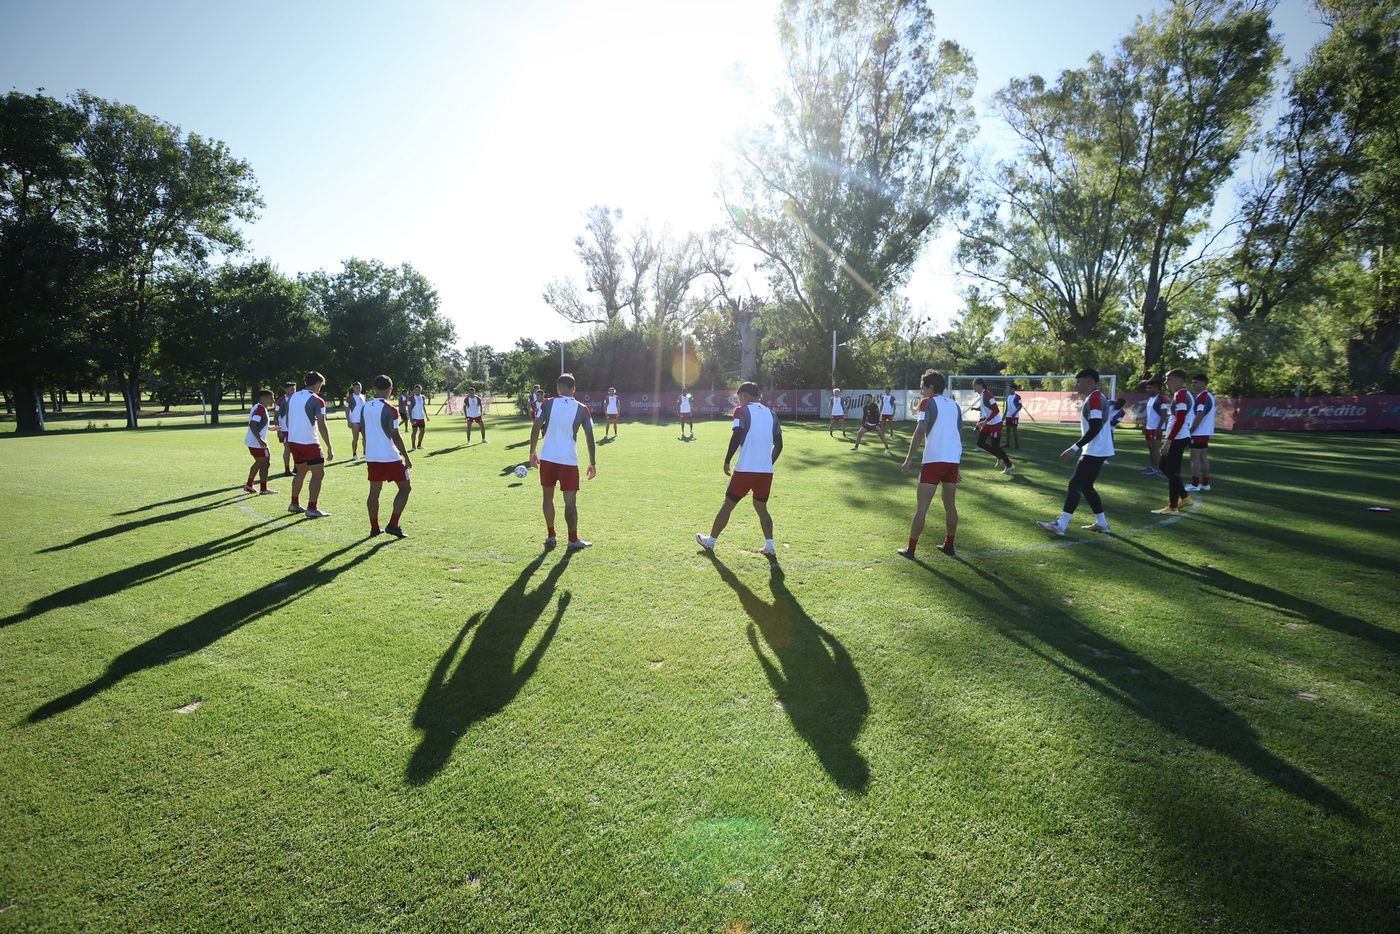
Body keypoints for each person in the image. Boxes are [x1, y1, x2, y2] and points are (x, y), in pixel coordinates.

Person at [696, 382, 783, 557]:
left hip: (745, 470)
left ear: (744, 395)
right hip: (765, 472)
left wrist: (727, 460)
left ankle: (710, 542)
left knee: (727, 506)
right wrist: (768, 462)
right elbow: (779, 445)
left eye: (738, 396)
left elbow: (736, 435)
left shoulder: (741, 411)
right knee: (761, 508)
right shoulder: (771, 414)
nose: (738, 400)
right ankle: (770, 546)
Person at [1037, 368, 1114, 536]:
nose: (1076, 385)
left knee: (1075, 485)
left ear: (1089, 381)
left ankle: (1061, 525)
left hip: (1095, 450)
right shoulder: (1096, 397)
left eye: (1079, 381)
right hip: (1099, 449)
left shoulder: (1094, 399)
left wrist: (1074, 447)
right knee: (1086, 487)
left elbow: (1095, 427)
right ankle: (1102, 523)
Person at [530, 373, 597, 550]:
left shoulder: (547, 403)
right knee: (570, 502)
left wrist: (532, 451)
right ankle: (573, 540)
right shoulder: (582, 409)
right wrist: (593, 462)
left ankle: (551, 535)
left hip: (548, 458)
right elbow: (590, 435)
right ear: (574, 389)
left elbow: (536, 426)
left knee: (547, 496)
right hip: (568, 461)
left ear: (559, 388)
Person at [898, 370, 960, 558]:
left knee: (922, 507)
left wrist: (909, 459)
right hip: (952, 461)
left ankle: (911, 549)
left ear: (931, 387)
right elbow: (958, 434)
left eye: (923, 387)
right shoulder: (955, 405)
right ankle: (949, 544)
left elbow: (921, 429)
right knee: (950, 506)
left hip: (933, 460)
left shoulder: (927, 402)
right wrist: (957, 464)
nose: (921, 391)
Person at [362, 374, 412, 538]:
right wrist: (406, 456)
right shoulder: (391, 408)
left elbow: (362, 430)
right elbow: (395, 435)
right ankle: (393, 524)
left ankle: (374, 528)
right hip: (389, 456)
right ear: (390, 389)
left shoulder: (365, 407)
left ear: (374, 388)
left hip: (372, 455)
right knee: (405, 488)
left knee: (374, 493)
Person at [286, 370, 335, 518]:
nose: (321, 387)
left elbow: (288, 418)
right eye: (321, 385)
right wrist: (329, 446)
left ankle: (294, 504)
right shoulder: (317, 400)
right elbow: (322, 425)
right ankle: (312, 508)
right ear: (318, 383)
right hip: (308, 442)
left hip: (293, 440)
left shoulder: (293, 396)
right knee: (318, 474)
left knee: (301, 471)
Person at [1152, 368, 1197, 515]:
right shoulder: (1180, 394)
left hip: (1178, 438)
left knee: (1173, 472)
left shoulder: (1182, 394)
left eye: (1168, 379)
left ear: (1179, 380)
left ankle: (1173, 506)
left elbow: (1180, 419)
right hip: (1178, 436)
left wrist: (1168, 441)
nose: (1165, 382)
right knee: (1164, 466)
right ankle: (1184, 497)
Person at [971, 378, 1014, 474]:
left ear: (980, 385)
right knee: (980, 443)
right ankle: (999, 457)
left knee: (996, 446)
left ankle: (1009, 464)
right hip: (989, 423)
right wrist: (980, 423)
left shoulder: (988, 394)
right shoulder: (982, 395)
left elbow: (996, 410)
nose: (973, 387)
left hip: (995, 424)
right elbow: (986, 411)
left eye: (974, 385)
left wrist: (985, 422)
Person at [242, 388, 277, 496]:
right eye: (271, 398)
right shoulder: (260, 409)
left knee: (259, 463)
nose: (273, 400)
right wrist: (260, 439)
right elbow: (253, 425)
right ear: (263, 398)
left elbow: (258, 424)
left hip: (254, 441)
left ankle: (249, 485)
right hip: (257, 442)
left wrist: (270, 428)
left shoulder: (259, 407)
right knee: (265, 463)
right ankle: (263, 489)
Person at [1186, 373, 1215, 492]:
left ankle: (1195, 484)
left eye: (1195, 382)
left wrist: (1190, 431)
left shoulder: (1202, 397)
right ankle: (1205, 483)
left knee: (1195, 458)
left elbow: (1200, 414)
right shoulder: (1208, 396)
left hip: (1198, 433)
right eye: (1192, 382)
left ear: (1203, 383)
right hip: (1204, 432)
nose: (1193, 384)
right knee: (1203, 458)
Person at [1139, 378, 1170, 476]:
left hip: (1156, 428)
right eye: (1147, 388)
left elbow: (1164, 414)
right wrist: (1145, 426)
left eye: (1150, 388)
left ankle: (1156, 468)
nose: (1147, 390)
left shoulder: (1161, 398)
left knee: (1155, 448)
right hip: (1149, 428)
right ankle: (1152, 467)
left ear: (1156, 388)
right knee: (1150, 447)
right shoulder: (1151, 398)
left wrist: (1159, 427)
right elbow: (1150, 414)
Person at [274, 381, 296, 476]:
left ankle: (296, 468)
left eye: (295, 389)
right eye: (292, 389)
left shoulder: (297, 399)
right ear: (286, 389)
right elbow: (276, 416)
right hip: (285, 429)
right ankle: (287, 469)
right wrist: (278, 431)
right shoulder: (281, 401)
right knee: (287, 448)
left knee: (296, 448)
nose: (294, 391)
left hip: (295, 428)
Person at [346, 381, 365, 461]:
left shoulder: (363, 396)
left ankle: (365, 452)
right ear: (353, 388)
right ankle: (354, 453)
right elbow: (347, 410)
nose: (358, 389)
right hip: (355, 421)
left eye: (359, 387)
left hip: (363, 421)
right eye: (357, 387)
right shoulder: (350, 398)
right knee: (355, 438)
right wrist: (348, 421)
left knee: (365, 438)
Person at [1004, 384, 1024, 449]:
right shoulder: (1008, 397)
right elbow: (1007, 407)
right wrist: (1004, 416)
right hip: (1008, 416)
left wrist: (1015, 413)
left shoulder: (1017, 397)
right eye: (1009, 388)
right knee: (1008, 430)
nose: (1010, 390)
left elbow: (1020, 406)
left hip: (1014, 416)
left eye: (1011, 388)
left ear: (1014, 389)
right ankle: (1007, 444)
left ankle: (1017, 445)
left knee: (1014, 430)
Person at [409, 384, 428, 450]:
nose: (417, 391)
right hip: (414, 418)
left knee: (422, 431)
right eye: (416, 390)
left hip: (421, 417)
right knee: (414, 432)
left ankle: (419, 445)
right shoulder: (411, 398)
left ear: (421, 390)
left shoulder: (422, 397)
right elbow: (409, 408)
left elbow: (423, 407)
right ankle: (413, 446)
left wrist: (426, 416)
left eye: (419, 390)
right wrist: (410, 418)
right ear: (414, 390)